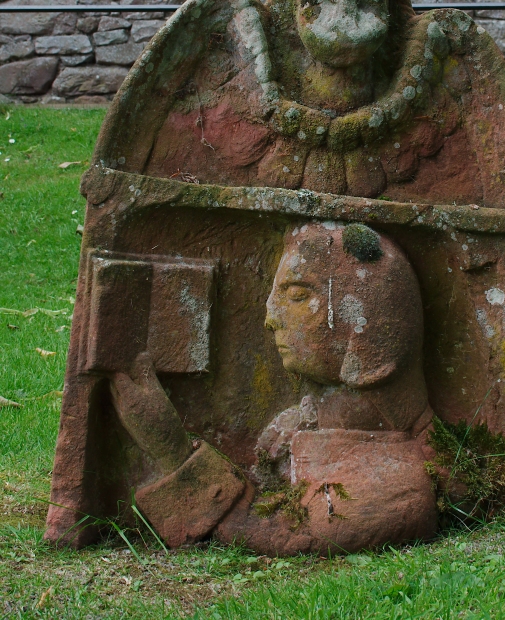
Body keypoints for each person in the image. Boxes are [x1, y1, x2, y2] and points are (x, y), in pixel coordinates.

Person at [111, 222, 438, 553]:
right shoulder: (300, 427)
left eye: (296, 295)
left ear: (368, 321)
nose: (270, 317)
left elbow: (269, 532)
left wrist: (172, 452)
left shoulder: (394, 488)